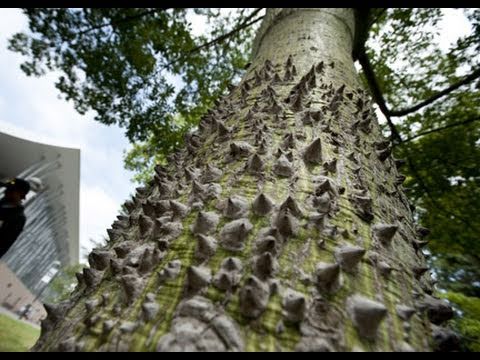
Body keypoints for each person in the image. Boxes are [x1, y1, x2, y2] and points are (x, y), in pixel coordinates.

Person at [0, 178, 30, 258]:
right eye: (7, 189)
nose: (5, 191)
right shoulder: (2, 204)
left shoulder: (18, 218)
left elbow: (4, 244)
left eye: (10, 190)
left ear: (20, 194)